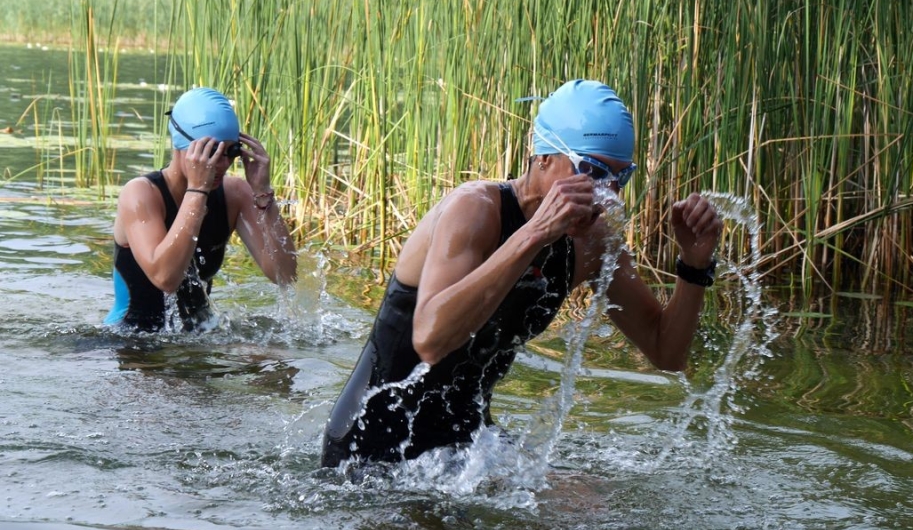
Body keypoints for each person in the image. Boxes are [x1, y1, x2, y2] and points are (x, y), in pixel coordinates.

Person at [321, 79, 722, 467]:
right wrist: (534, 234)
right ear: (543, 157)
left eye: (620, 178)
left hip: (467, 446)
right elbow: (430, 339)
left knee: (598, 510)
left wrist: (695, 265)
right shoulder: (475, 210)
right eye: (593, 171)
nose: (607, 194)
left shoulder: (593, 243)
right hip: (371, 448)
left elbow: (665, 352)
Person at [104, 87, 297, 332]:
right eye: (211, 152)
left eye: (231, 151)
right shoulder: (140, 194)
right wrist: (197, 191)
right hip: (131, 341)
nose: (223, 163)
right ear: (182, 145)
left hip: (198, 338)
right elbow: (166, 278)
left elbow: (285, 275)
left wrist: (262, 192)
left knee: (273, 358)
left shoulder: (236, 194)